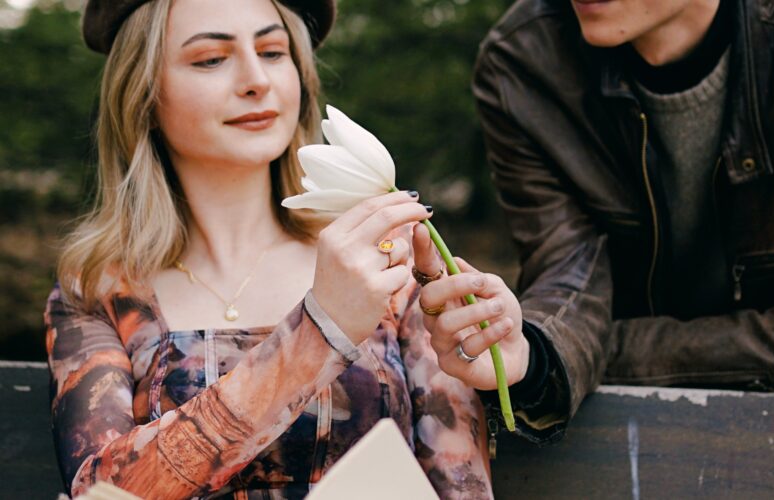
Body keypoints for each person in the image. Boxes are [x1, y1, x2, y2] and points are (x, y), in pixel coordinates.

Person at [45, 0, 506, 497]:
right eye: (210, 59)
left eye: (271, 51)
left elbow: (462, 484)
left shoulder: (387, 263)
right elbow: (100, 491)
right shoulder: (98, 290)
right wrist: (319, 331)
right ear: (142, 94)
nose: (256, 80)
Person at [418, 0, 774, 445]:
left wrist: (597, 352)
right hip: (613, 444)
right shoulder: (524, 64)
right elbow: (570, 271)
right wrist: (534, 356)